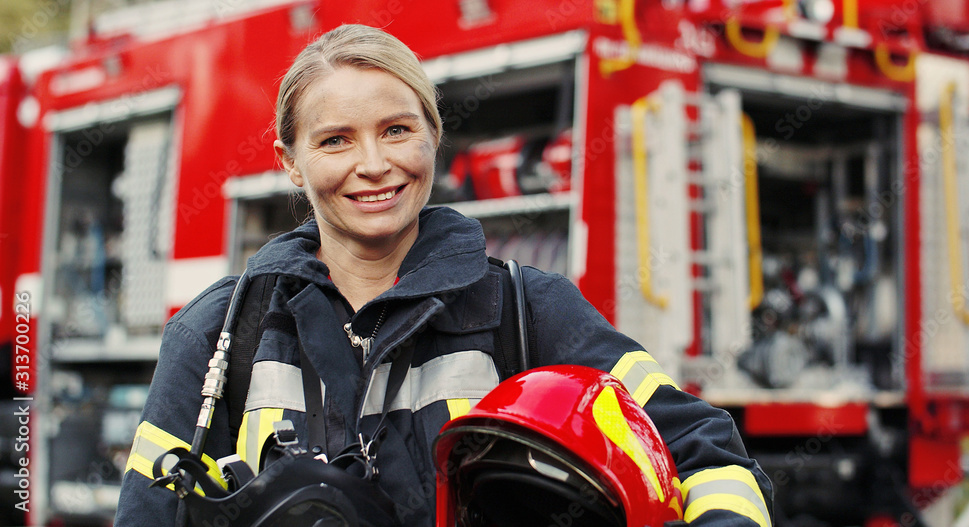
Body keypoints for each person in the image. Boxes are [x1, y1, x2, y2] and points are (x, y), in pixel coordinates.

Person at [115, 24, 773, 527]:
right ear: (291, 161)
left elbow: (706, 452)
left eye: (397, 129)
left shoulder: (528, 310)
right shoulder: (218, 333)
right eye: (335, 139)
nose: (373, 164)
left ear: (433, 134)